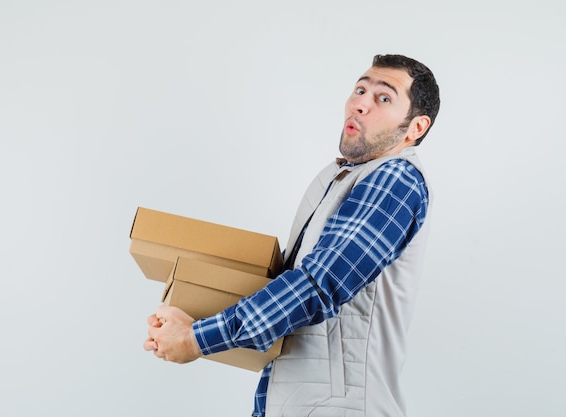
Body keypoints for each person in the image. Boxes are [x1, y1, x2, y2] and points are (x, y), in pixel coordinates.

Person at [144, 54, 440, 417]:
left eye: (383, 98)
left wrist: (196, 338)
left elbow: (316, 286)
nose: (360, 103)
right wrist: (190, 312)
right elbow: (286, 290)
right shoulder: (340, 180)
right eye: (360, 89)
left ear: (416, 128)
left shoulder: (394, 180)